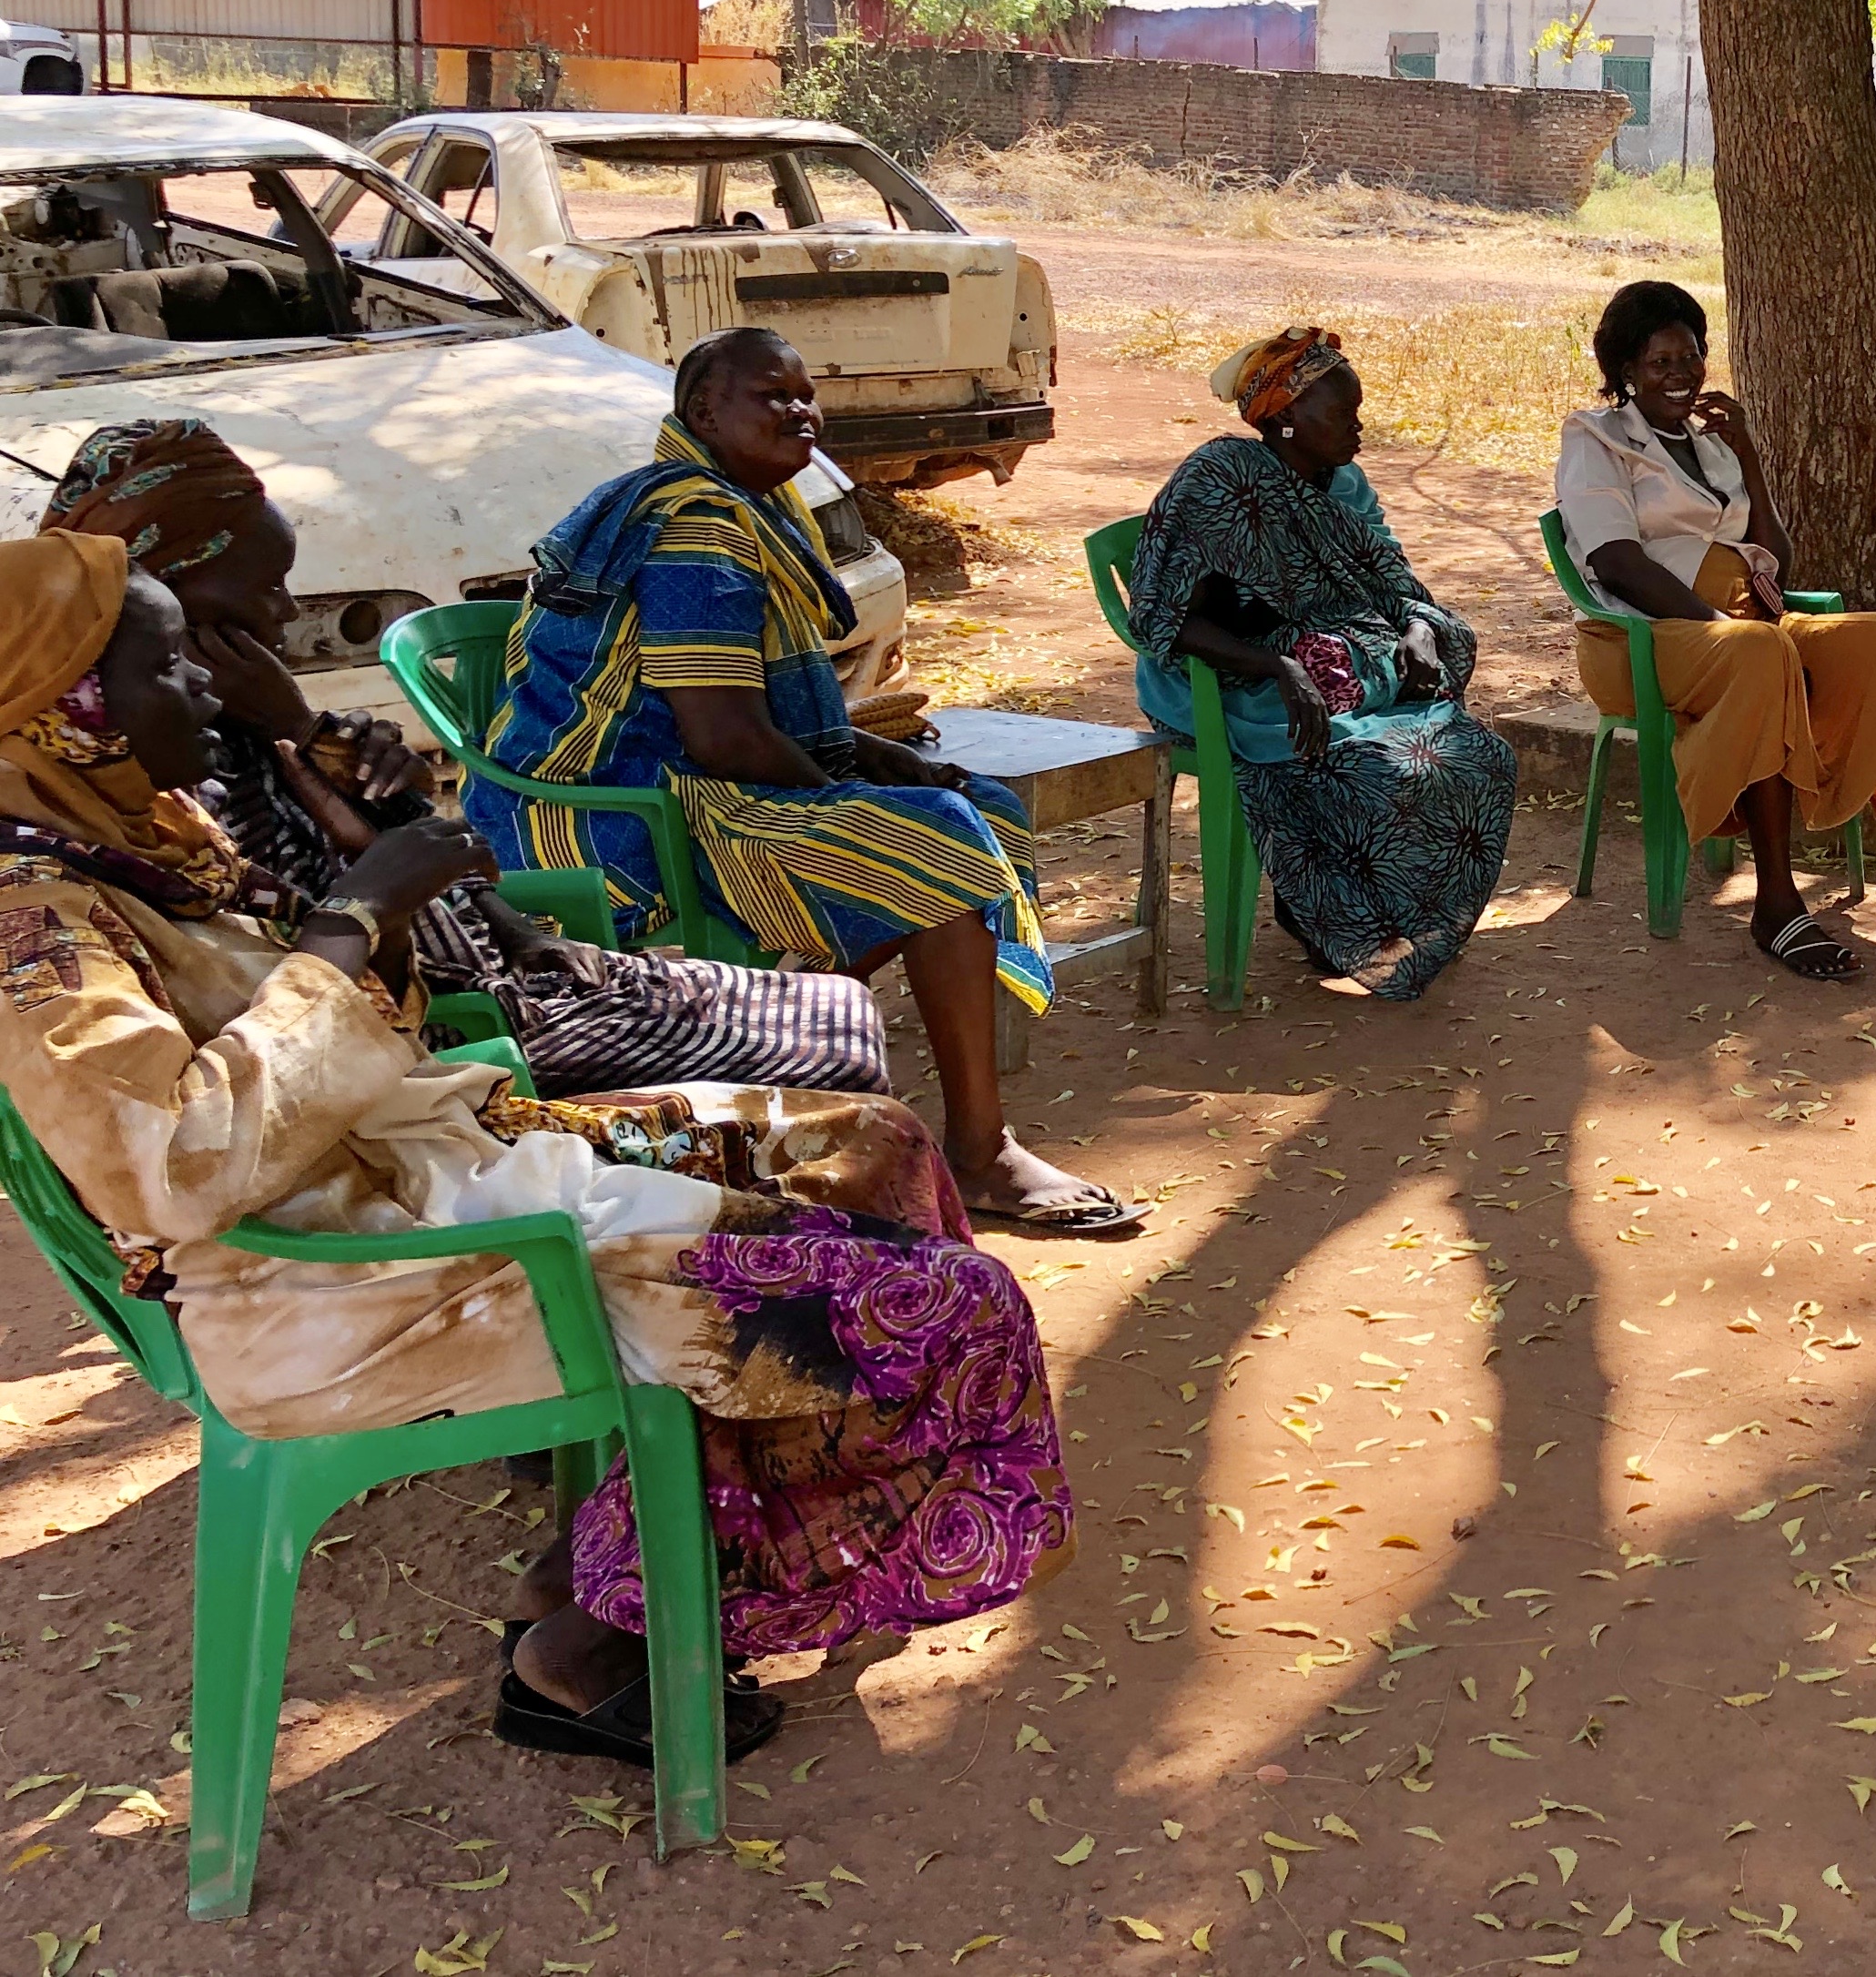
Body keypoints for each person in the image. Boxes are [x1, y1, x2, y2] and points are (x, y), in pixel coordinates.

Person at [0, 530, 1072, 1763]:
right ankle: (609, 1638)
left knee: (869, 1147)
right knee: (944, 1305)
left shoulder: (137, 843)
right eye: (165, 664)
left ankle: (605, 1584)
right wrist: (354, 918)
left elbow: (355, 1019)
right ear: (69, 710)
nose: (198, 683)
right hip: (338, 1284)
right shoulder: (35, 933)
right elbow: (173, 1166)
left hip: (418, 1182)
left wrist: (369, 865)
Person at [473, 326, 1135, 1233]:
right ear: (703, 410)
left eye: (804, 393)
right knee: (935, 838)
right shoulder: (697, 524)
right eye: (769, 395)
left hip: (672, 779)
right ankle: (977, 1151)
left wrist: (868, 755)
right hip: (607, 814)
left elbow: (749, 715)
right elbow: (723, 733)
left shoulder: (738, 505)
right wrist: (844, 787)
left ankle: (770, 1042)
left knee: (959, 803)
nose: (799, 410)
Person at [35, 419, 890, 1096]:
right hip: (437, 1037)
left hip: (497, 976)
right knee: (832, 1056)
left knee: (841, 1016)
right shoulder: (152, 783)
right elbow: (301, 950)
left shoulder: (235, 717)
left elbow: (431, 855)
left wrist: (509, 921)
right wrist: (305, 740)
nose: (282, 612)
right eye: (262, 587)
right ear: (155, 580)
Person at [1554, 280, 1876, 982]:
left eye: (1691, 357)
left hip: (1746, 621)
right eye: (1659, 363)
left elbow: (1775, 561)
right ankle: (1775, 905)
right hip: (1645, 638)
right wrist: (1718, 626)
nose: (1679, 375)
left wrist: (1750, 459)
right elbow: (1614, 562)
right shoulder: (1595, 439)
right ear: (1624, 370)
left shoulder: (1711, 446)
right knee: (1761, 650)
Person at [1125, 325, 1516, 999]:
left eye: (1358, 413)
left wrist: (1418, 627)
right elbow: (1163, 616)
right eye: (1341, 414)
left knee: (1478, 756)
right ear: (1281, 419)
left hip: (1327, 662)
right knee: (1363, 764)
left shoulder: (1345, 482)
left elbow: (1394, 581)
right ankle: (1329, 915)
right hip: (1226, 680)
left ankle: (1401, 918)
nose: (1358, 429)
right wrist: (1278, 665)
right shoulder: (1221, 479)